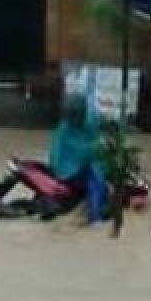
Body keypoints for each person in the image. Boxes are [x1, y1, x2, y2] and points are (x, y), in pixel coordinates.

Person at [48, 94, 107, 223]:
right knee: (95, 181)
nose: (74, 116)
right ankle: (95, 218)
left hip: (68, 172)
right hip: (69, 174)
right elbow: (83, 153)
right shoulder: (64, 131)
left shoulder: (89, 123)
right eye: (72, 114)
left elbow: (104, 125)